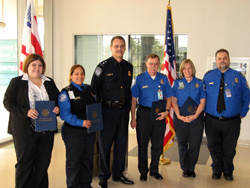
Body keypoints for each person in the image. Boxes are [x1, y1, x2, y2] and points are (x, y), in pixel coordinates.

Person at [3, 53, 60, 188]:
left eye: (40, 65)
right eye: (33, 64)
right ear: (27, 66)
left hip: (46, 130)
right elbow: (7, 102)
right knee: (25, 164)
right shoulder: (17, 82)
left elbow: (58, 99)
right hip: (24, 131)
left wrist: (58, 108)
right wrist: (26, 112)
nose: (37, 68)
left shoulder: (49, 82)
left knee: (43, 163)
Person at [91, 36, 134, 188]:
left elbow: (127, 91)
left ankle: (118, 174)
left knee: (121, 145)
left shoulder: (129, 67)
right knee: (105, 145)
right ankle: (103, 176)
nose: (119, 49)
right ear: (111, 48)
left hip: (123, 112)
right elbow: (93, 91)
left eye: (122, 46)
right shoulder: (102, 67)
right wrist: (95, 115)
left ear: (125, 48)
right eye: (116, 46)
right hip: (106, 112)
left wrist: (129, 110)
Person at [203, 49, 250, 181]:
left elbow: (246, 95)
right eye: (219, 58)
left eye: (224, 58)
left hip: (232, 121)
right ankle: (217, 169)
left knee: (229, 148)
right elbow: (202, 96)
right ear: (216, 60)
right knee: (213, 146)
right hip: (212, 120)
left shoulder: (238, 77)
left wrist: (243, 112)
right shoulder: (208, 76)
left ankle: (228, 171)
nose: (222, 60)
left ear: (228, 59)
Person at [130, 54, 172, 181]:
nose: (153, 66)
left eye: (156, 64)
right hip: (144, 114)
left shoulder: (163, 79)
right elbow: (133, 100)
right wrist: (133, 118)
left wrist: (166, 111)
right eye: (151, 63)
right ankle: (143, 171)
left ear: (159, 64)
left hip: (159, 114)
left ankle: (154, 170)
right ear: (146, 64)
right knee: (142, 145)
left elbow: (169, 96)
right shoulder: (140, 79)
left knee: (157, 145)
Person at [58, 64, 96, 188]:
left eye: (82, 74)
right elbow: (64, 115)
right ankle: (73, 185)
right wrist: (81, 122)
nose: (80, 76)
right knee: (74, 162)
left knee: (86, 160)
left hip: (89, 131)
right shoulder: (65, 93)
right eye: (77, 74)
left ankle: (86, 184)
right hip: (73, 132)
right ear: (71, 75)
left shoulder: (88, 89)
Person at [172, 59, 206, 178]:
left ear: (193, 69)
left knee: (195, 144)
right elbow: (174, 101)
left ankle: (191, 168)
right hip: (180, 117)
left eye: (189, 68)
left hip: (196, 117)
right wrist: (179, 115)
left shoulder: (200, 83)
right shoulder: (177, 83)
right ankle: (185, 168)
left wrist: (195, 116)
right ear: (181, 70)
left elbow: (202, 102)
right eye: (184, 68)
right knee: (182, 143)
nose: (187, 70)